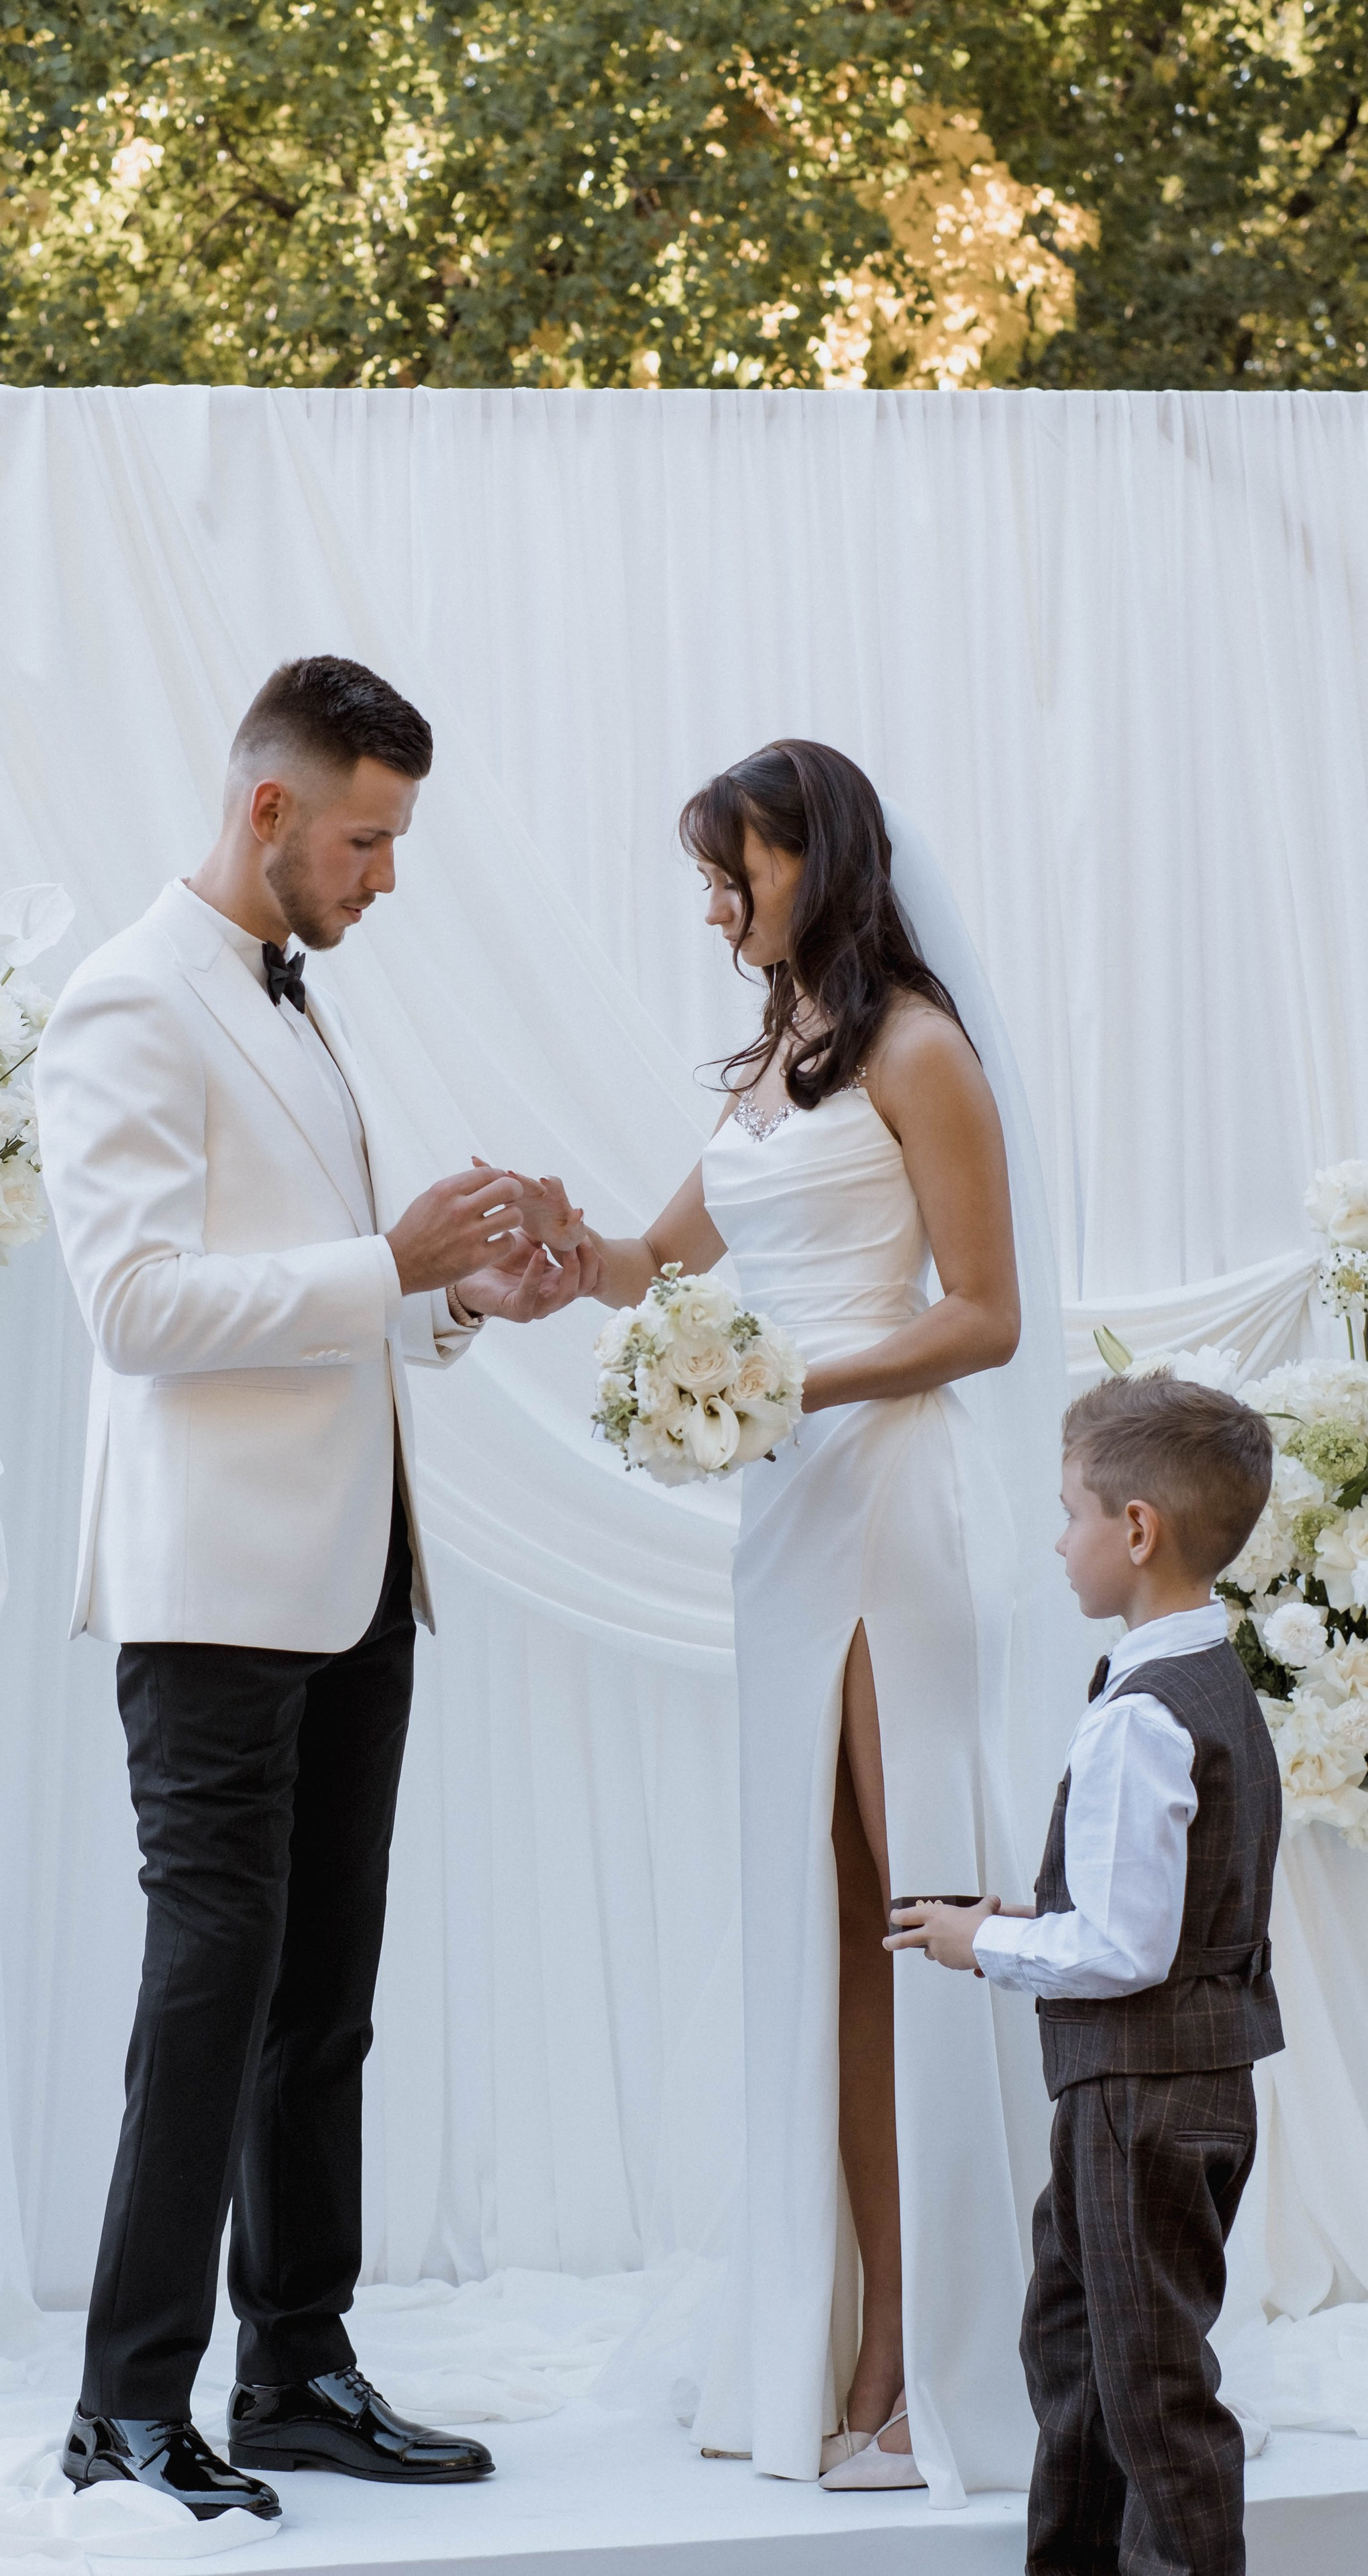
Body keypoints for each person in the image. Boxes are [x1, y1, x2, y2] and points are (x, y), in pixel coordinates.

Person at [35, 655, 594, 2525]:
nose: (384, 877)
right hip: (211, 1595)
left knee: (321, 1999)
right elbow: (133, 1312)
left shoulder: (284, 998)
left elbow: (314, 1293)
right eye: (367, 838)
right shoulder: (127, 1001)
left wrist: (455, 1299)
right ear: (270, 810)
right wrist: (383, 1261)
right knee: (210, 1990)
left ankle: (297, 2368)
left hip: (358, 1577)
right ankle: (124, 2407)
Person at [515, 741, 1050, 2503]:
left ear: (814, 863)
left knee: (915, 1906)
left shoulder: (919, 1047)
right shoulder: (771, 1062)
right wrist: (548, 1248)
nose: (712, 902)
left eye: (733, 870)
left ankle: (942, 2346)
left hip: (893, 1497)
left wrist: (785, 1376)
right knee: (824, 1916)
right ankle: (839, 2331)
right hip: (785, 1509)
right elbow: (652, 1263)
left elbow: (984, 1318)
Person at [892, 1373, 1282, 2576]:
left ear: (1137, 1530)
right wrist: (1028, 1911)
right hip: (1176, 2089)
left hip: (1137, 2104)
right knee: (1076, 2351)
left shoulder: (1142, 1715)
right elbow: (1160, 1904)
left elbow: (1123, 1951)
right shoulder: (1212, 1680)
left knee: (1154, 2395)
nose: (1057, 1541)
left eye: (1069, 1513)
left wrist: (982, 1943)